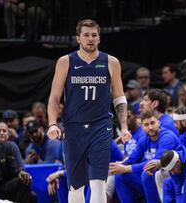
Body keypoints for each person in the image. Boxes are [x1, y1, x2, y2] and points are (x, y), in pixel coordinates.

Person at [47, 19, 131, 203]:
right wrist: (52, 123)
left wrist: (124, 126)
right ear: (78, 38)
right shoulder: (65, 62)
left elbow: (119, 97)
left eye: (94, 35)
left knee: (98, 183)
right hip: (73, 128)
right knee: (76, 185)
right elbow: (54, 97)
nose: (90, 39)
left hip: (101, 126)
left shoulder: (111, 62)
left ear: (99, 38)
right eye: (86, 35)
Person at [110, 111, 180, 203]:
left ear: (159, 123)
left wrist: (126, 168)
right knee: (119, 174)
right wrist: (120, 165)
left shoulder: (167, 137)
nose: (150, 127)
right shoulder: (144, 138)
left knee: (147, 173)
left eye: (152, 123)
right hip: (150, 176)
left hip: (171, 171)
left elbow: (154, 163)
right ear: (142, 126)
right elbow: (133, 158)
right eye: (146, 125)